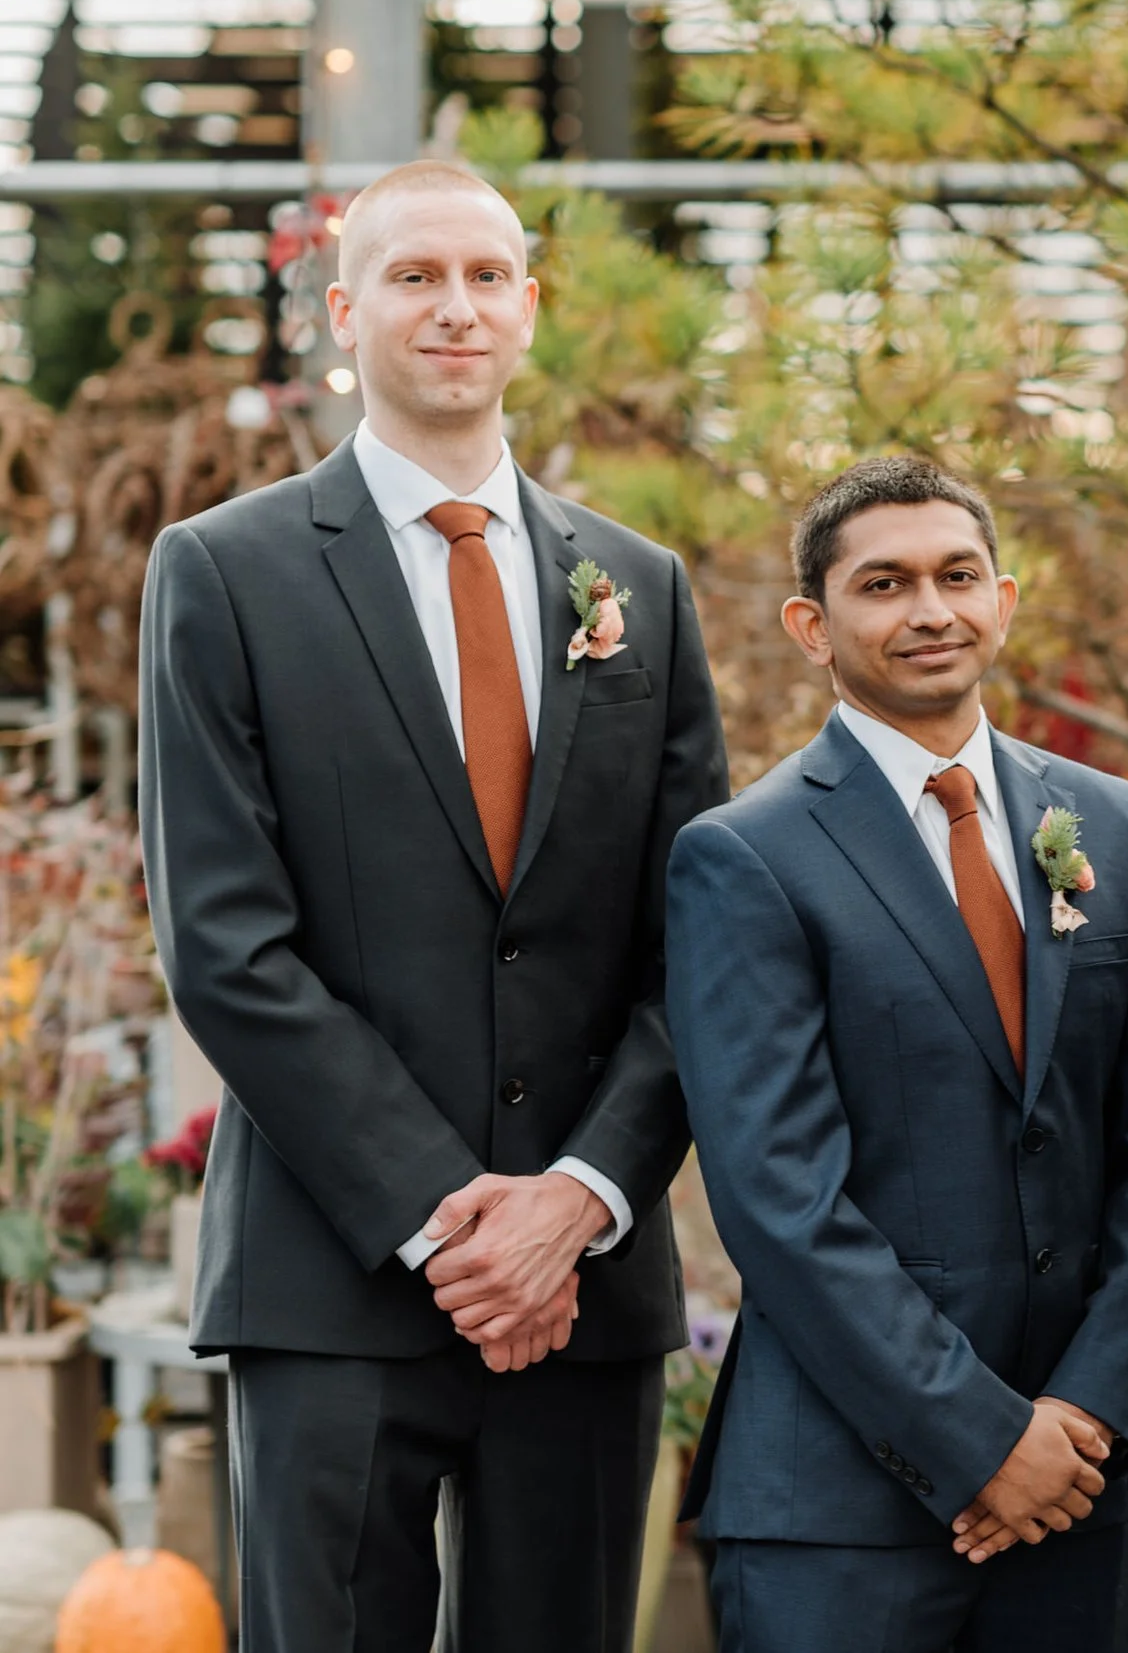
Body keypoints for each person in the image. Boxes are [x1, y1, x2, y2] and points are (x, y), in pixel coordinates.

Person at [138, 159, 729, 1650]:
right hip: (332, 1280)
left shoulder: (641, 590)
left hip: (582, 1288)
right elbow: (225, 945)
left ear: (530, 307)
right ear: (347, 313)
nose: (453, 307)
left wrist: (577, 1203)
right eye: (413, 277)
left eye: (484, 276)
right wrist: (443, 1216)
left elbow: (705, 946)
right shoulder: (223, 572)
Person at [666, 457, 1128, 1653]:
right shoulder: (745, 858)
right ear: (813, 625)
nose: (930, 610)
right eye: (885, 583)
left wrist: (1080, 1417)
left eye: (958, 576)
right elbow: (778, 1198)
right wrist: (980, 1439)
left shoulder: (1110, 821)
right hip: (842, 1512)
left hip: (1080, 1489)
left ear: (1003, 600)